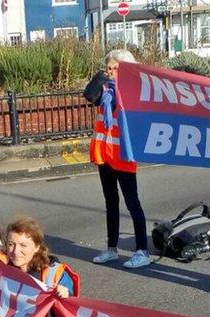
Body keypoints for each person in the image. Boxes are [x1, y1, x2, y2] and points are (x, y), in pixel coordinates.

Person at [84, 49, 150, 269]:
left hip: (123, 155)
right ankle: (111, 249)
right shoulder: (103, 91)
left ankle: (142, 250)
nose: (111, 73)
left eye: (116, 69)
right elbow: (89, 95)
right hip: (105, 155)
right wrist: (101, 77)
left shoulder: (132, 91)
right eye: (109, 68)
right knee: (110, 203)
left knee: (133, 203)